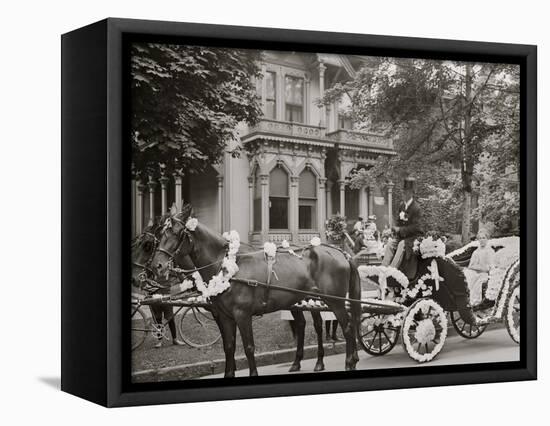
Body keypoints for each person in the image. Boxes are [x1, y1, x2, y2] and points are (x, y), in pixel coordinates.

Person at [382, 177, 423, 278]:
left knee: (401, 244)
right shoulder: (401, 206)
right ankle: (383, 269)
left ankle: (391, 271)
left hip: (414, 238)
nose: (404, 194)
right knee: (391, 243)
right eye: (403, 192)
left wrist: (400, 230)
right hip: (402, 237)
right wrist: (393, 230)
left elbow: (417, 227)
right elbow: (398, 222)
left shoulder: (416, 208)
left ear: (411, 193)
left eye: (406, 192)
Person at [463, 230, 495, 306]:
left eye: (483, 238)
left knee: (478, 279)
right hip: (475, 273)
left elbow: (489, 268)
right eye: (480, 238)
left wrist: (477, 267)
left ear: (487, 239)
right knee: (467, 274)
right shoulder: (476, 252)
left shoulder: (490, 251)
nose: (481, 240)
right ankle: (465, 299)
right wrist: (478, 268)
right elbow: (470, 266)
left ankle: (475, 302)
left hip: (486, 274)